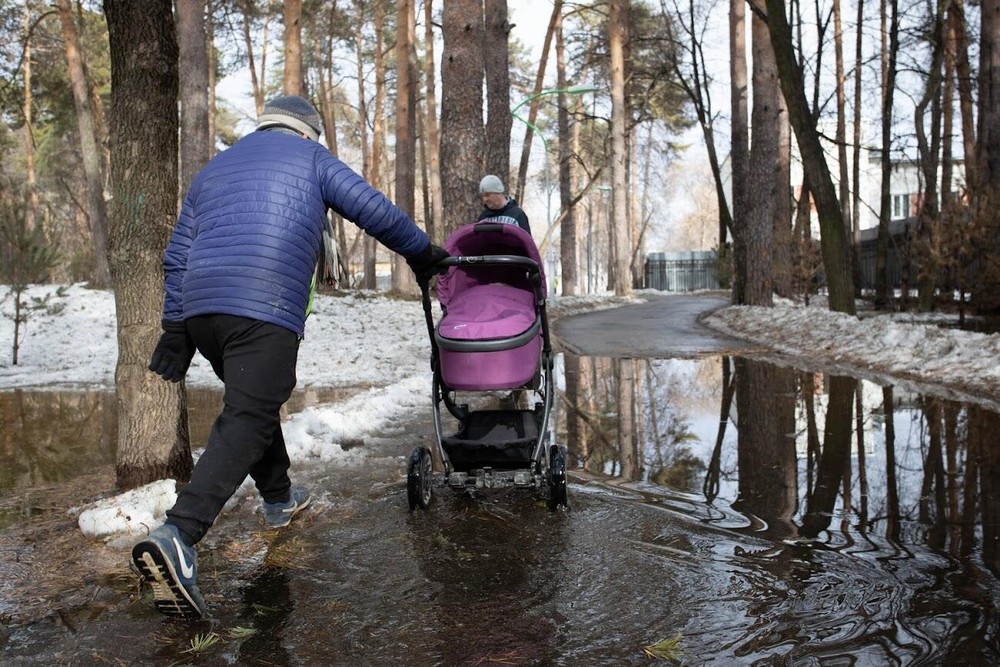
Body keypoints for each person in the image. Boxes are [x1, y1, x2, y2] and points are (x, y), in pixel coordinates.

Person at [132, 94, 448, 620]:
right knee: (250, 414)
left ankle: (279, 497)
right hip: (264, 305)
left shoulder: (214, 168)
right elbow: (374, 210)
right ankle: (179, 536)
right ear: (307, 132)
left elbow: (177, 255)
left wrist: (174, 327)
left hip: (201, 312)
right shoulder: (311, 158)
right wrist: (423, 251)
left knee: (251, 406)